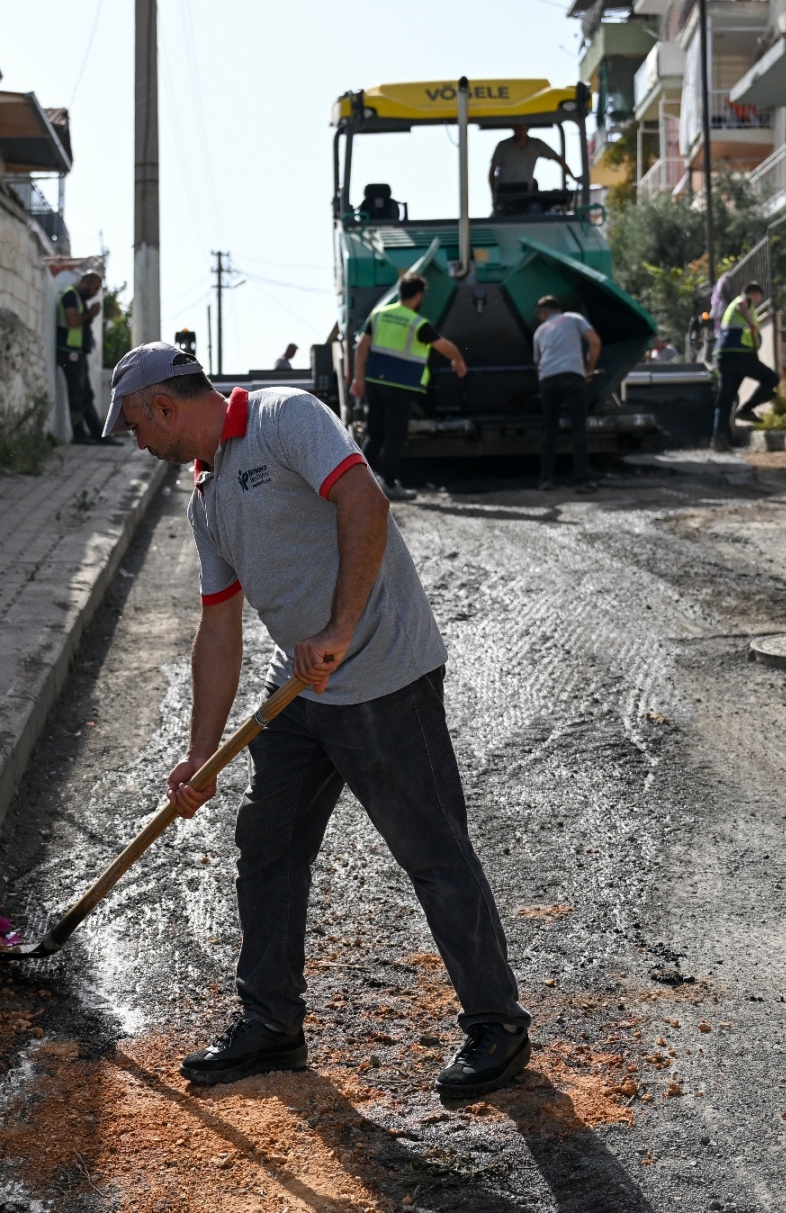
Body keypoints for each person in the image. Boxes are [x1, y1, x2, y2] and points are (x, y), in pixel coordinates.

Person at [102, 343, 533, 1099]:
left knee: (431, 851)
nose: (137, 442)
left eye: (135, 426)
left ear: (162, 407)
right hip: (299, 691)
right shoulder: (205, 496)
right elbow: (218, 630)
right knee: (266, 846)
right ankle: (271, 1024)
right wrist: (199, 754)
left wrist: (338, 629)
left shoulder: (283, 417)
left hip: (383, 674)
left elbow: (364, 500)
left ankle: (496, 1024)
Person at [348, 272, 468, 502]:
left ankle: (355, 483)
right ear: (419, 296)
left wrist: (358, 378)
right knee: (396, 434)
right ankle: (389, 483)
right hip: (401, 385)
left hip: (375, 381)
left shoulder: (379, 314)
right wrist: (458, 360)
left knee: (374, 433)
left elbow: (362, 347)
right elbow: (444, 346)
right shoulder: (417, 323)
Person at [532, 296, 600, 492]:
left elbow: (537, 364)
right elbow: (595, 342)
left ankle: (545, 479)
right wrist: (588, 369)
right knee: (577, 427)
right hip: (572, 375)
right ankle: (582, 481)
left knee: (549, 428)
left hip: (548, 379)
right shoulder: (573, 318)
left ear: (543, 313)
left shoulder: (539, 331)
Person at [712, 281, 779, 447]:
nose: (755, 303)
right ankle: (746, 410)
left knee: (725, 400)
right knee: (771, 378)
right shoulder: (745, 300)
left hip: (724, 355)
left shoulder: (729, 309)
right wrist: (751, 323)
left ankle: (719, 439)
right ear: (755, 295)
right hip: (739, 355)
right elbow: (743, 306)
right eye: (758, 300)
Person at [57, 270, 105, 444]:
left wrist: (89, 315)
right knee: (76, 395)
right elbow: (72, 321)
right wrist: (90, 314)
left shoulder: (78, 298)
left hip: (77, 351)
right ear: (86, 283)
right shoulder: (70, 295)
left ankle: (97, 434)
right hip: (69, 352)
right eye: (94, 288)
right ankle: (79, 434)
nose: (94, 293)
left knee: (86, 395)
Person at [487, 125, 571, 212]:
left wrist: (572, 176)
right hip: (504, 195)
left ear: (527, 129)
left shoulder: (536, 144)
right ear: (513, 128)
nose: (519, 132)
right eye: (517, 128)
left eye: (522, 128)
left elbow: (558, 159)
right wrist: (494, 197)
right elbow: (491, 173)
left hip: (526, 195)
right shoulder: (503, 146)